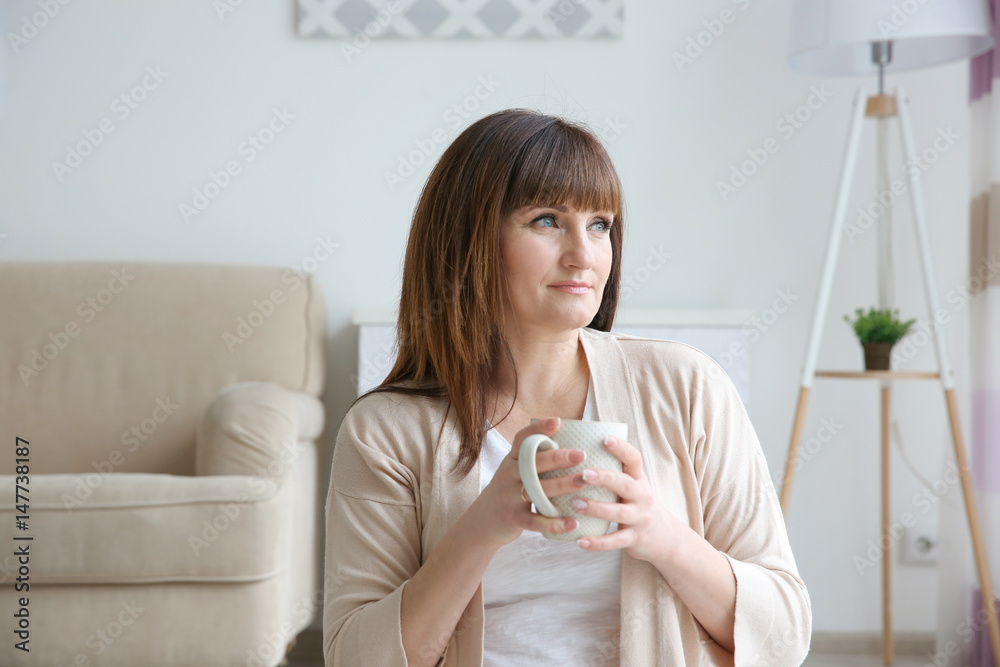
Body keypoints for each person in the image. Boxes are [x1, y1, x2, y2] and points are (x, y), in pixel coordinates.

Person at [322, 108, 812, 666]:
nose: (584, 255)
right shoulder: (384, 431)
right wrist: (479, 531)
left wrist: (661, 535)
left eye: (600, 224)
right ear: (467, 240)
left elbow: (784, 635)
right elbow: (353, 657)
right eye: (548, 221)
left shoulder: (689, 387)